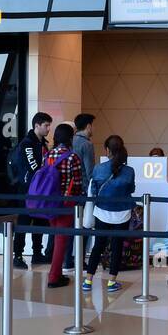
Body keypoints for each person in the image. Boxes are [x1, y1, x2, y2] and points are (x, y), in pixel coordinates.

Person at [84, 142, 135, 294]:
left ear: (107, 150)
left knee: (98, 245)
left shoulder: (99, 168)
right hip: (122, 213)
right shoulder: (129, 171)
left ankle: (88, 280)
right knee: (117, 247)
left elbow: (93, 190)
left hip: (102, 212)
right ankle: (112, 281)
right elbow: (132, 189)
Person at [40, 124, 84, 289]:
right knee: (61, 240)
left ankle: (56, 273)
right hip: (66, 202)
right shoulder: (72, 156)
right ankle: (53, 277)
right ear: (70, 138)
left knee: (56, 236)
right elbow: (78, 182)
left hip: (50, 201)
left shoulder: (48, 155)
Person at [8, 111, 51, 270]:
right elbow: (34, 167)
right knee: (24, 221)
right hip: (27, 189)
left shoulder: (42, 143)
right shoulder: (27, 143)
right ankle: (18, 255)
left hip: (40, 189)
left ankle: (37, 253)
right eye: (46, 125)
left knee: (40, 220)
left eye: (49, 126)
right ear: (37, 125)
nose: (48, 129)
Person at [66, 113, 97, 273]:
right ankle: (80, 258)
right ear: (88, 126)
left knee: (71, 225)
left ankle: (68, 259)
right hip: (84, 190)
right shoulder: (87, 144)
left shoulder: (70, 141)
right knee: (86, 225)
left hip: (70, 189)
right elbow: (89, 171)